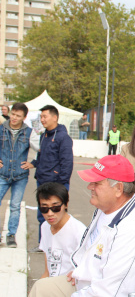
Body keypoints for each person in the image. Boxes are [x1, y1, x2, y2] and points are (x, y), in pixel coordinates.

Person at [28, 155, 135, 297]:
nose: (89, 187)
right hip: (90, 282)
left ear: (118, 189)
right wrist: (82, 270)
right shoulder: (110, 207)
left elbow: (110, 293)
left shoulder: (132, 232)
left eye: (97, 183)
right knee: (41, 288)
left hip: (106, 292)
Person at [29, 105, 73, 250]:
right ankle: (43, 245)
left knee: (57, 215)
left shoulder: (62, 137)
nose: (42, 120)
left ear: (55, 117)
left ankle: (59, 246)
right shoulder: (44, 135)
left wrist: (60, 185)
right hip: (42, 182)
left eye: (45, 116)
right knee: (43, 215)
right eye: (41, 117)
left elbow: (67, 162)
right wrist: (34, 164)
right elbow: (41, 155)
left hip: (56, 184)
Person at [0, 102, 39, 247]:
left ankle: (11, 235)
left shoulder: (29, 132)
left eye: (18, 116)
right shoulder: (1, 129)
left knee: (15, 206)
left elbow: (42, 149)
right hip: (2, 174)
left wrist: (33, 163)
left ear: (24, 117)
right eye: (13, 114)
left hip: (20, 176)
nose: (14, 118)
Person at [37, 182, 86, 278]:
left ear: (66, 204)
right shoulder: (45, 226)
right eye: (44, 208)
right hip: (52, 283)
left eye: (55, 207)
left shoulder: (79, 232)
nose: (50, 213)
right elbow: (47, 269)